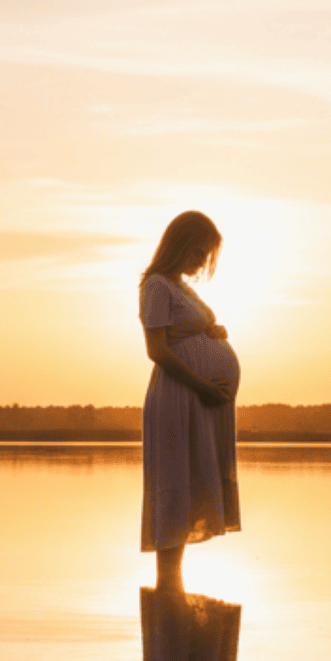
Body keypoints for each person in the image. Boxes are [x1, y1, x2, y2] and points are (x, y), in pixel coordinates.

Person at [139, 210, 240, 595]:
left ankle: (172, 597)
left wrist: (211, 331)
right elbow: (157, 350)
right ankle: (169, 595)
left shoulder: (180, 287)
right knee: (174, 485)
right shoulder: (156, 285)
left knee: (190, 484)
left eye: (206, 256)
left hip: (198, 401)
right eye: (197, 252)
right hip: (178, 399)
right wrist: (203, 387)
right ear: (178, 245)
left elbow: (183, 331)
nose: (201, 262)